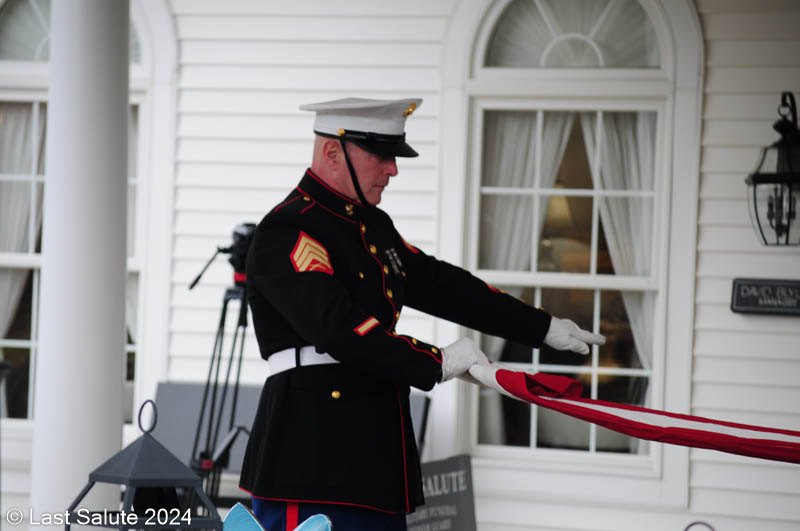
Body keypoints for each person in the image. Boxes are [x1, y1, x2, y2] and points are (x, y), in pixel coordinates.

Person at [239, 97, 605, 530]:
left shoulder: (372, 227)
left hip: (376, 461)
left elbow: (445, 286)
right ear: (332, 151)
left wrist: (541, 327)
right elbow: (338, 329)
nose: (392, 169)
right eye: (380, 155)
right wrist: (438, 361)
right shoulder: (289, 229)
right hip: (313, 458)